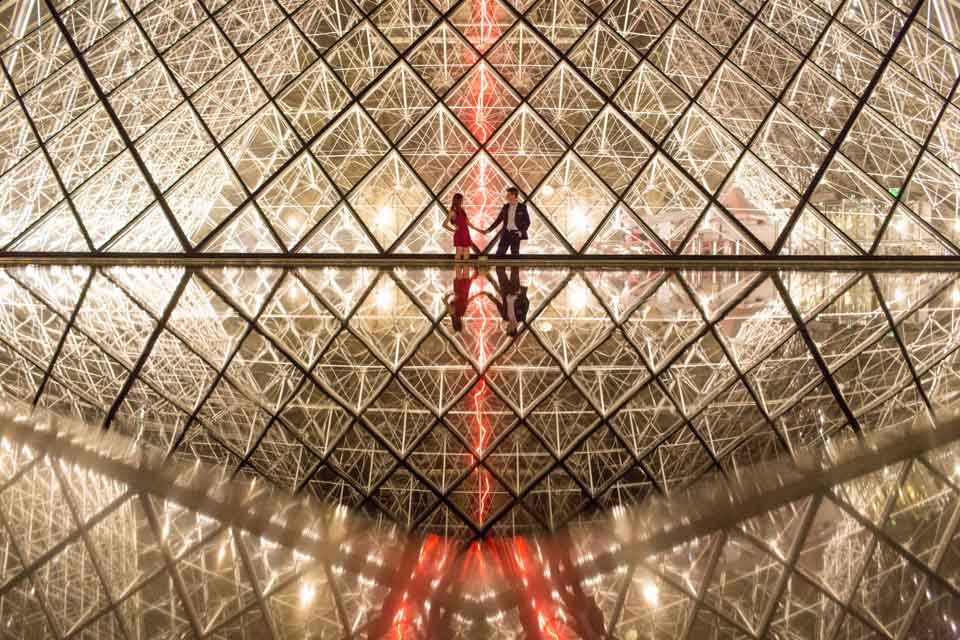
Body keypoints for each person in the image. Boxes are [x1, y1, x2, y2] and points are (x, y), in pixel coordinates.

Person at [482, 266, 529, 336]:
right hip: (514, 290)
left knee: (499, 270)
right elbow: (526, 303)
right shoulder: (521, 317)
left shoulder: (505, 317)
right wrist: (519, 295)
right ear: (513, 329)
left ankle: (501, 257)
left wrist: (489, 296)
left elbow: (498, 305)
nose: (506, 327)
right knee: (514, 271)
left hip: (505, 291)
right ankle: (514, 256)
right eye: (508, 329)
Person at [483, 187, 529, 257]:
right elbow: (498, 220)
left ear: (514, 195)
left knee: (515, 255)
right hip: (505, 233)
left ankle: (514, 268)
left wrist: (521, 231)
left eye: (508, 195)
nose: (506, 197)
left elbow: (527, 221)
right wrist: (489, 229)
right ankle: (500, 268)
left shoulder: (522, 207)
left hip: (515, 234)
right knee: (499, 254)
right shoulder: (505, 207)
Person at [444, 193, 481, 261]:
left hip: (466, 233)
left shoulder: (462, 210)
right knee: (459, 254)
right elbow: (444, 224)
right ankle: (458, 271)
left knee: (466, 255)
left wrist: (479, 230)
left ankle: (465, 271)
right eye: (461, 200)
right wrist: (453, 230)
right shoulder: (452, 212)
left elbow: (468, 223)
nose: (462, 201)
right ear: (458, 200)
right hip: (459, 234)